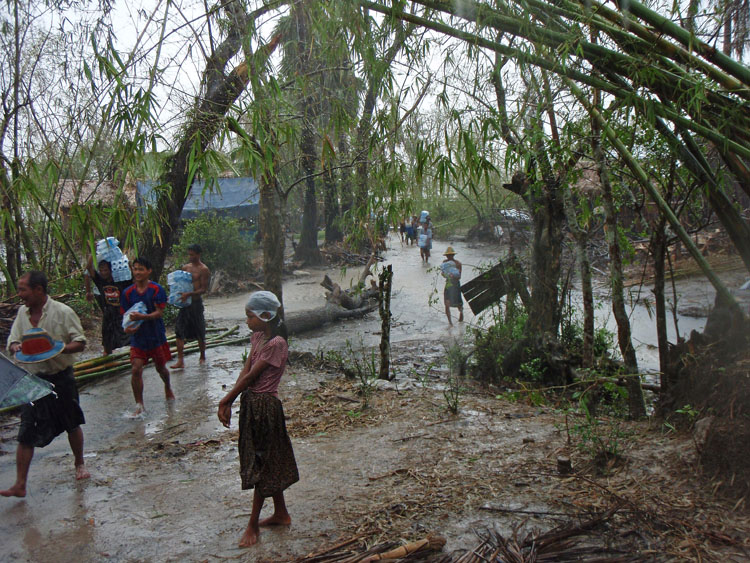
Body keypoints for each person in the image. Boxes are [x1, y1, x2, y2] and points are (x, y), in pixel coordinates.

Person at [217, 291, 299, 548]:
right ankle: (281, 513)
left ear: (265, 316)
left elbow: (253, 376)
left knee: (261, 463)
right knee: (266, 458)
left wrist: (226, 399)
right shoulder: (258, 337)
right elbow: (246, 369)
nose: (247, 321)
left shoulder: (277, 344)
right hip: (253, 403)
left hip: (265, 406)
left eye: (250, 316)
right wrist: (232, 396)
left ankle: (252, 525)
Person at [2, 271, 90, 497]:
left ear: (38, 290)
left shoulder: (63, 312)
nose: (19, 295)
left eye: (23, 289)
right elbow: (13, 341)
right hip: (33, 381)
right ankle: (20, 484)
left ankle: (79, 463)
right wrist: (17, 348)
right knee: (26, 430)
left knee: (71, 421)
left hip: (60, 376)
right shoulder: (22, 313)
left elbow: (79, 342)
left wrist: (56, 348)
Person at [120, 257, 174, 415]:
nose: (137, 272)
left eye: (141, 269)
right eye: (135, 269)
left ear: (149, 271)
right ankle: (139, 404)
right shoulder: (128, 293)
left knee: (161, 368)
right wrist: (127, 329)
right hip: (138, 338)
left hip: (155, 336)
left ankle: (168, 387)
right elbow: (125, 317)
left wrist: (142, 318)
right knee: (136, 369)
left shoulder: (156, 290)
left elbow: (159, 313)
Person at [170, 244, 211, 369]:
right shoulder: (185, 267)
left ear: (199, 254)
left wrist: (190, 293)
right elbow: (179, 284)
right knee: (179, 330)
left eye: (193, 254)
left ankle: (202, 356)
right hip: (185, 303)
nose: (190, 257)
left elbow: (203, 289)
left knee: (199, 330)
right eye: (189, 254)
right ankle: (180, 360)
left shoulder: (204, 270)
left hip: (196, 304)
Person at [84, 256, 131, 355]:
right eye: (101, 270)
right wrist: (93, 253)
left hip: (122, 314)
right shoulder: (100, 281)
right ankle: (107, 359)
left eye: (105, 270)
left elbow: (132, 275)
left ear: (111, 270)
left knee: (128, 340)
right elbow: (89, 267)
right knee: (107, 341)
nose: (103, 272)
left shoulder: (121, 281)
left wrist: (126, 262)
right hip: (108, 314)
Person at [441, 247, 464, 326]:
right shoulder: (444, 263)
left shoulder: (458, 264)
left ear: (453, 255)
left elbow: (459, 276)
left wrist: (452, 275)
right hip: (448, 284)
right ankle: (450, 323)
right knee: (446, 303)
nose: (449, 257)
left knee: (458, 302)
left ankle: (461, 312)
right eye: (448, 255)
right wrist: (446, 275)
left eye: (450, 255)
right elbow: (443, 273)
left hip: (455, 284)